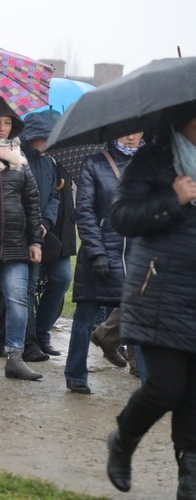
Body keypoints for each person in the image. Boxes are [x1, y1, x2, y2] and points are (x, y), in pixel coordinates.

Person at [105, 102, 196, 498]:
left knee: (194, 395)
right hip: (159, 292)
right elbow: (121, 217)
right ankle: (123, 439)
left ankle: (189, 482)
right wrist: (172, 199)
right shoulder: (153, 159)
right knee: (164, 388)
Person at [64, 131, 143, 394]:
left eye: (137, 130)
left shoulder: (152, 163)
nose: (131, 136)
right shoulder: (94, 162)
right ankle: (76, 374)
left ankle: (148, 378)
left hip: (138, 254)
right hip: (100, 253)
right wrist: (97, 253)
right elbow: (84, 211)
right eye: (125, 130)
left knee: (141, 317)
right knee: (85, 317)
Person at [0, 95, 44, 380]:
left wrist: (35, 241)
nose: (2, 128)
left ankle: (14, 356)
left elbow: (32, 200)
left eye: (7, 122)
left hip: (15, 241)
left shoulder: (19, 157)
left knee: (17, 299)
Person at [24, 111, 76, 357]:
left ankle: (42, 333)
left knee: (62, 278)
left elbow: (56, 196)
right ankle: (29, 341)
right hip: (26, 233)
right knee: (27, 286)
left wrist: (46, 221)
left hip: (53, 232)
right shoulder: (20, 160)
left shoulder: (55, 160)